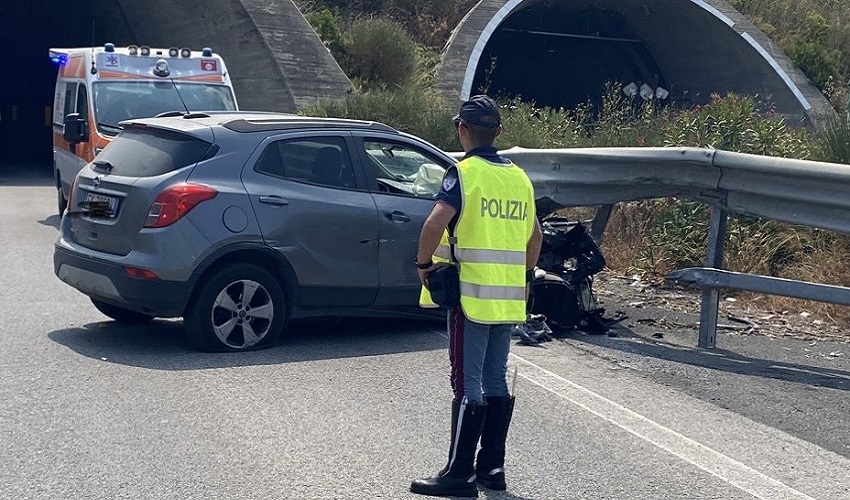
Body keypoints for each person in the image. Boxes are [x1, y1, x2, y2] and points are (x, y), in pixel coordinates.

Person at [410, 95, 543, 498]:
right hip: (508, 298)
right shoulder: (519, 177)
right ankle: (492, 469)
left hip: (471, 296)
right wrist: (522, 276)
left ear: (461, 130)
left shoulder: (463, 173)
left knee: (466, 381)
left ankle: (459, 474)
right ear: (499, 134)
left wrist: (423, 266)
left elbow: (434, 224)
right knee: (494, 378)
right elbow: (535, 235)